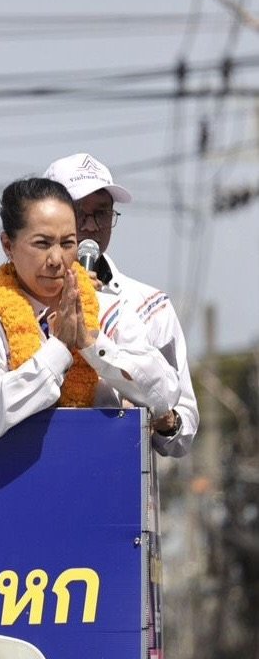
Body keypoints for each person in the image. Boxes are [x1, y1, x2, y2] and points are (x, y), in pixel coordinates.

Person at [0, 178, 179, 440]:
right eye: (42, 243)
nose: (56, 260)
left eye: (68, 243)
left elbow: (165, 395)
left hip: (101, 471)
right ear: (8, 245)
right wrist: (59, 349)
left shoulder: (109, 309)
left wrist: (91, 345)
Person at [44, 152, 198, 456]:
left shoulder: (149, 305)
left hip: (119, 484)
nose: (90, 226)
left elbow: (184, 426)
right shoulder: (8, 295)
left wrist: (163, 419)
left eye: (102, 213)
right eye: (78, 213)